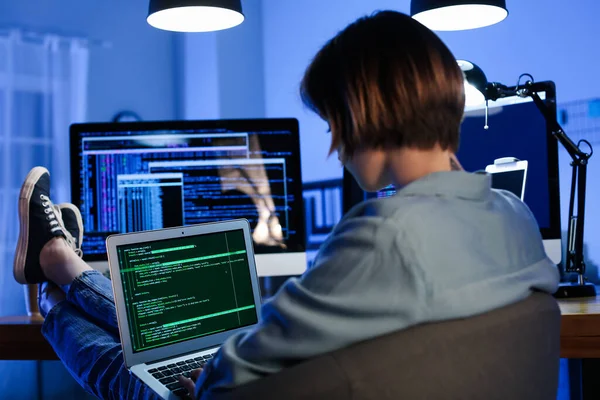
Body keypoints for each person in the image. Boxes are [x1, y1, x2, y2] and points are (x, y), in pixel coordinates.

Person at [12, 10, 559, 400]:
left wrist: (204, 379)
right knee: (174, 334)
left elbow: (244, 363)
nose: (334, 145)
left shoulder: (386, 233)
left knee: (129, 365)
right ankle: (66, 265)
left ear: (362, 115)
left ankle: (56, 286)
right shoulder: (511, 216)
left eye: (332, 122)